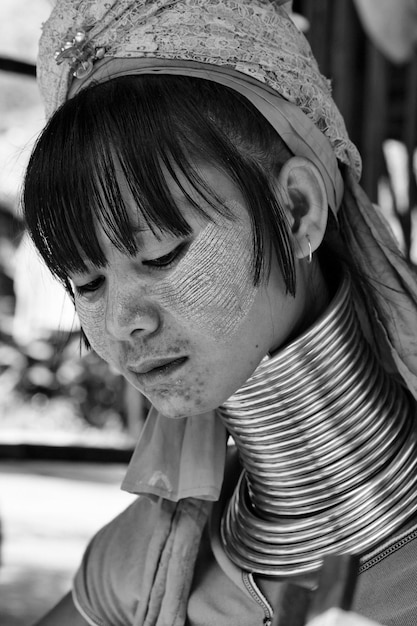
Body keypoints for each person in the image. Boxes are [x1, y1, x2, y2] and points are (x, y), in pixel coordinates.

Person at [22, 1, 417, 625]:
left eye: (162, 254)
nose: (127, 320)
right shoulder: (135, 570)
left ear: (296, 211)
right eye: (88, 283)